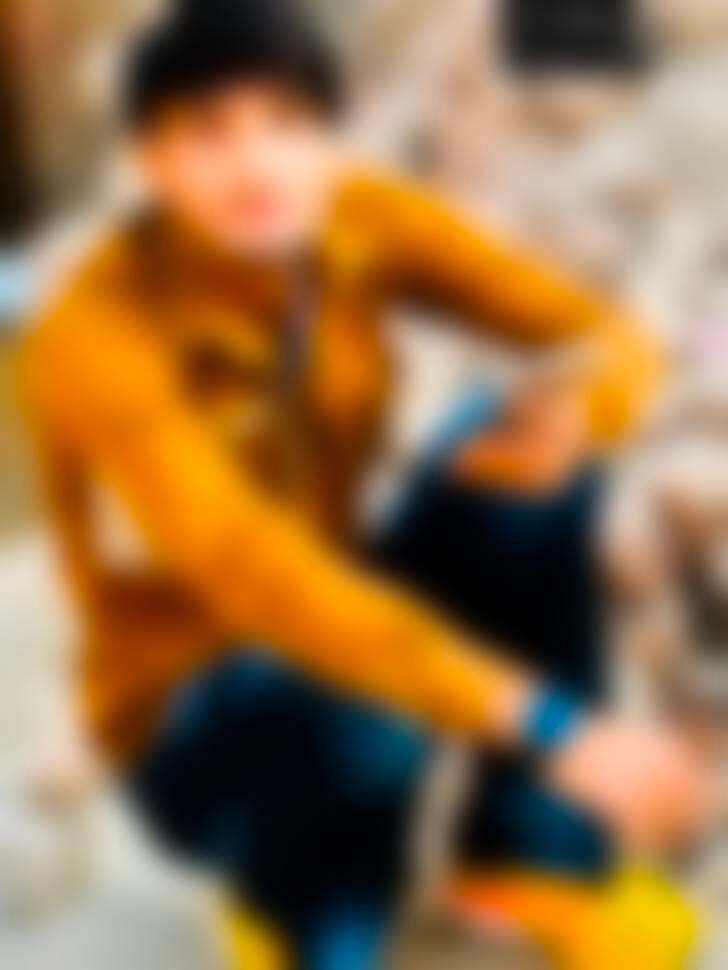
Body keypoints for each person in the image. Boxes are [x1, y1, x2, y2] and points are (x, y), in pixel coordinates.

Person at [25, 1, 708, 967]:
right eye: (210, 134)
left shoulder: (356, 218)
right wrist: (554, 724)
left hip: (337, 595)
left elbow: (601, 332)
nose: (257, 165)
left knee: (517, 457)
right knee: (374, 718)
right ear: (150, 163)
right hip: (189, 707)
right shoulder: (93, 339)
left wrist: (581, 415)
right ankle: (301, 899)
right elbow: (254, 575)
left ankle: (529, 858)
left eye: (287, 124)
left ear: (331, 136)